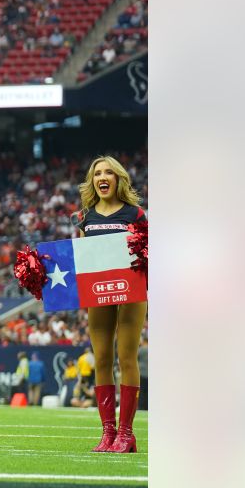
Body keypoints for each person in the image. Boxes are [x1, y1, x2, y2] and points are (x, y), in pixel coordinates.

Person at [75, 155, 146, 451]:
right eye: (96, 173)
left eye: (108, 173)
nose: (102, 177)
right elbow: (81, 258)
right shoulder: (85, 218)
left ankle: (126, 434)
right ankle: (108, 432)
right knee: (102, 359)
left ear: (118, 179)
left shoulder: (136, 214)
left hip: (131, 290)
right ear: (92, 181)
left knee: (126, 358)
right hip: (98, 292)